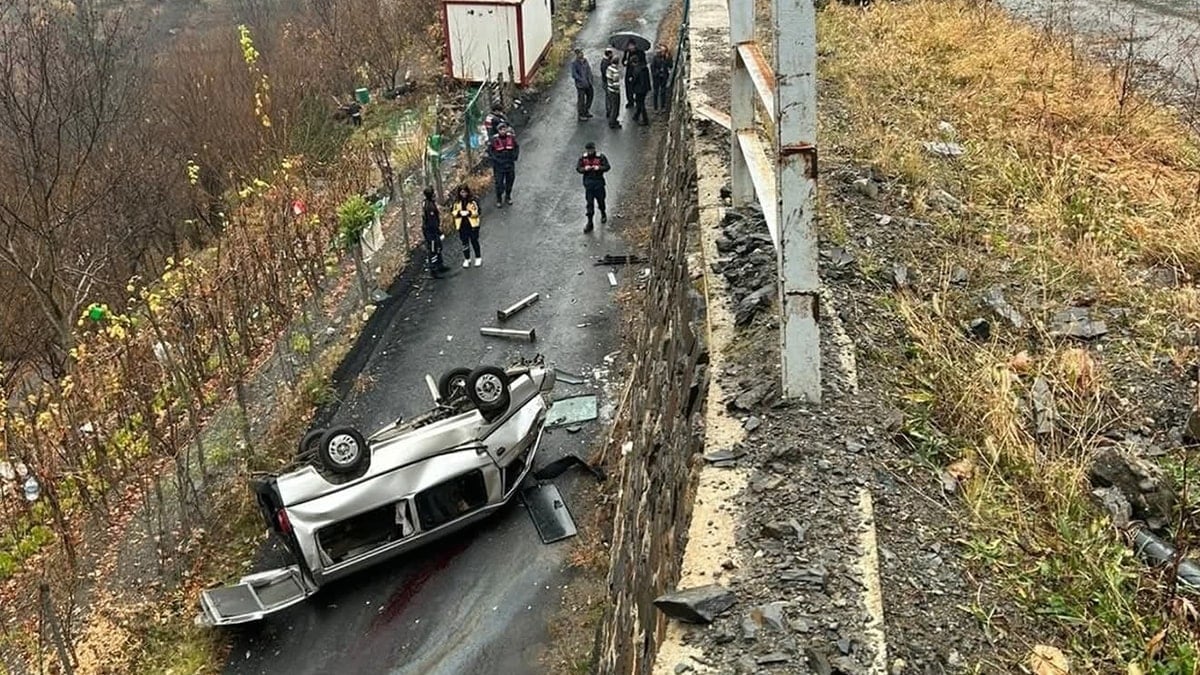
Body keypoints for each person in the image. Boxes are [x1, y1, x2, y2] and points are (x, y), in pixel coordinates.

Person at [576, 142, 611, 233]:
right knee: (589, 204)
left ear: (594, 149)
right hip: (589, 185)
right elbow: (578, 168)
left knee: (601, 201)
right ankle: (590, 223)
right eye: (588, 150)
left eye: (591, 150)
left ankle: (603, 213)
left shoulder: (600, 157)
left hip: (599, 183)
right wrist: (584, 169)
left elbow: (607, 167)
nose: (590, 152)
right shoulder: (583, 158)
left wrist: (599, 168)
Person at [487, 123, 520, 207]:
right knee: (499, 183)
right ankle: (499, 199)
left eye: (504, 129)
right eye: (501, 130)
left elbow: (516, 147)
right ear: (498, 131)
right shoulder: (494, 140)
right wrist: (495, 161)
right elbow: (490, 152)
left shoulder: (511, 138)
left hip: (509, 164)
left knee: (510, 181)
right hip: (499, 166)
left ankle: (508, 196)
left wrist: (514, 157)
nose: (503, 131)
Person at [451, 185, 482, 267]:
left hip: (472, 225)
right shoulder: (457, 202)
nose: (463, 194)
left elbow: (477, 212)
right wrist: (459, 213)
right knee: (465, 243)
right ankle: (467, 259)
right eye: (461, 192)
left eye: (465, 192)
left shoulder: (473, 201)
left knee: (474, 241)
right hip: (462, 226)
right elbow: (453, 212)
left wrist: (469, 213)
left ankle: (478, 257)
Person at [421, 187, 448, 277]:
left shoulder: (426, 203)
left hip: (430, 230)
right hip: (431, 232)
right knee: (433, 249)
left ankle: (440, 265)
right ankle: (434, 270)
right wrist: (439, 232)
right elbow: (432, 223)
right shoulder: (430, 207)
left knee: (438, 247)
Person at [571, 49, 594, 122]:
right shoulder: (574, 63)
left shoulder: (585, 61)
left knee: (590, 96)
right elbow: (574, 74)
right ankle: (581, 115)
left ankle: (586, 110)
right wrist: (581, 79)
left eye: (581, 52)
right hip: (581, 85)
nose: (581, 54)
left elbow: (589, 69)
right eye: (579, 53)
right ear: (577, 55)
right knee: (581, 100)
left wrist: (591, 78)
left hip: (588, 83)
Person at [622, 40, 646, 108]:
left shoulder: (640, 52)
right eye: (629, 46)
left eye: (631, 46)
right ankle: (630, 101)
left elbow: (643, 63)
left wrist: (637, 65)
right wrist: (624, 62)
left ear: (635, 45)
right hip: (629, 71)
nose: (630, 48)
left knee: (636, 86)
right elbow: (623, 61)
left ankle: (637, 100)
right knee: (628, 87)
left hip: (637, 72)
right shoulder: (626, 52)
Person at [651, 44, 673, 111]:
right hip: (656, 77)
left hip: (664, 76)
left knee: (663, 92)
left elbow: (670, 66)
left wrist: (668, 59)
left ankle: (663, 106)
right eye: (662, 51)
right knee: (656, 92)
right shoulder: (655, 57)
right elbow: (652, 67)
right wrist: (656, 72)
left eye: (664, 51)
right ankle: (655, 107)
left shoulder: (667, 57)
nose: (663, 52)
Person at [630, 60, 651, 126]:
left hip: (639, 90)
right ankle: (636, 115)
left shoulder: (636, 70)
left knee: (640, 103)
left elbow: (634, 80)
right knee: (640, 102)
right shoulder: (644, 68)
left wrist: (631, 85)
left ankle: (645, 120)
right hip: (645, 88)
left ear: (634, 63)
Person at [604, 59, 622, 129]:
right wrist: (617, 90)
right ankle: (613, 122)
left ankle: (612, 120)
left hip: (609, 89)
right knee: (615, 107)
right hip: (614, 92)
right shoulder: (615, 71)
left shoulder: (609, 68)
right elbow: (616, 84)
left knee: (612, 106)